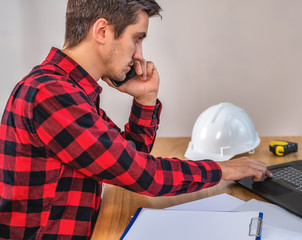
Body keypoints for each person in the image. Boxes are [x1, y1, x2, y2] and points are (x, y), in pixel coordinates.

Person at [0, 0, 272, 239]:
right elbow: (141, 175)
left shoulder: (68, 90)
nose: (140, 54)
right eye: (137, 38)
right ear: (102, 31)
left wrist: (146, 98)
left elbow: (127, 161)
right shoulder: (51, 95)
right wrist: (224, 169)